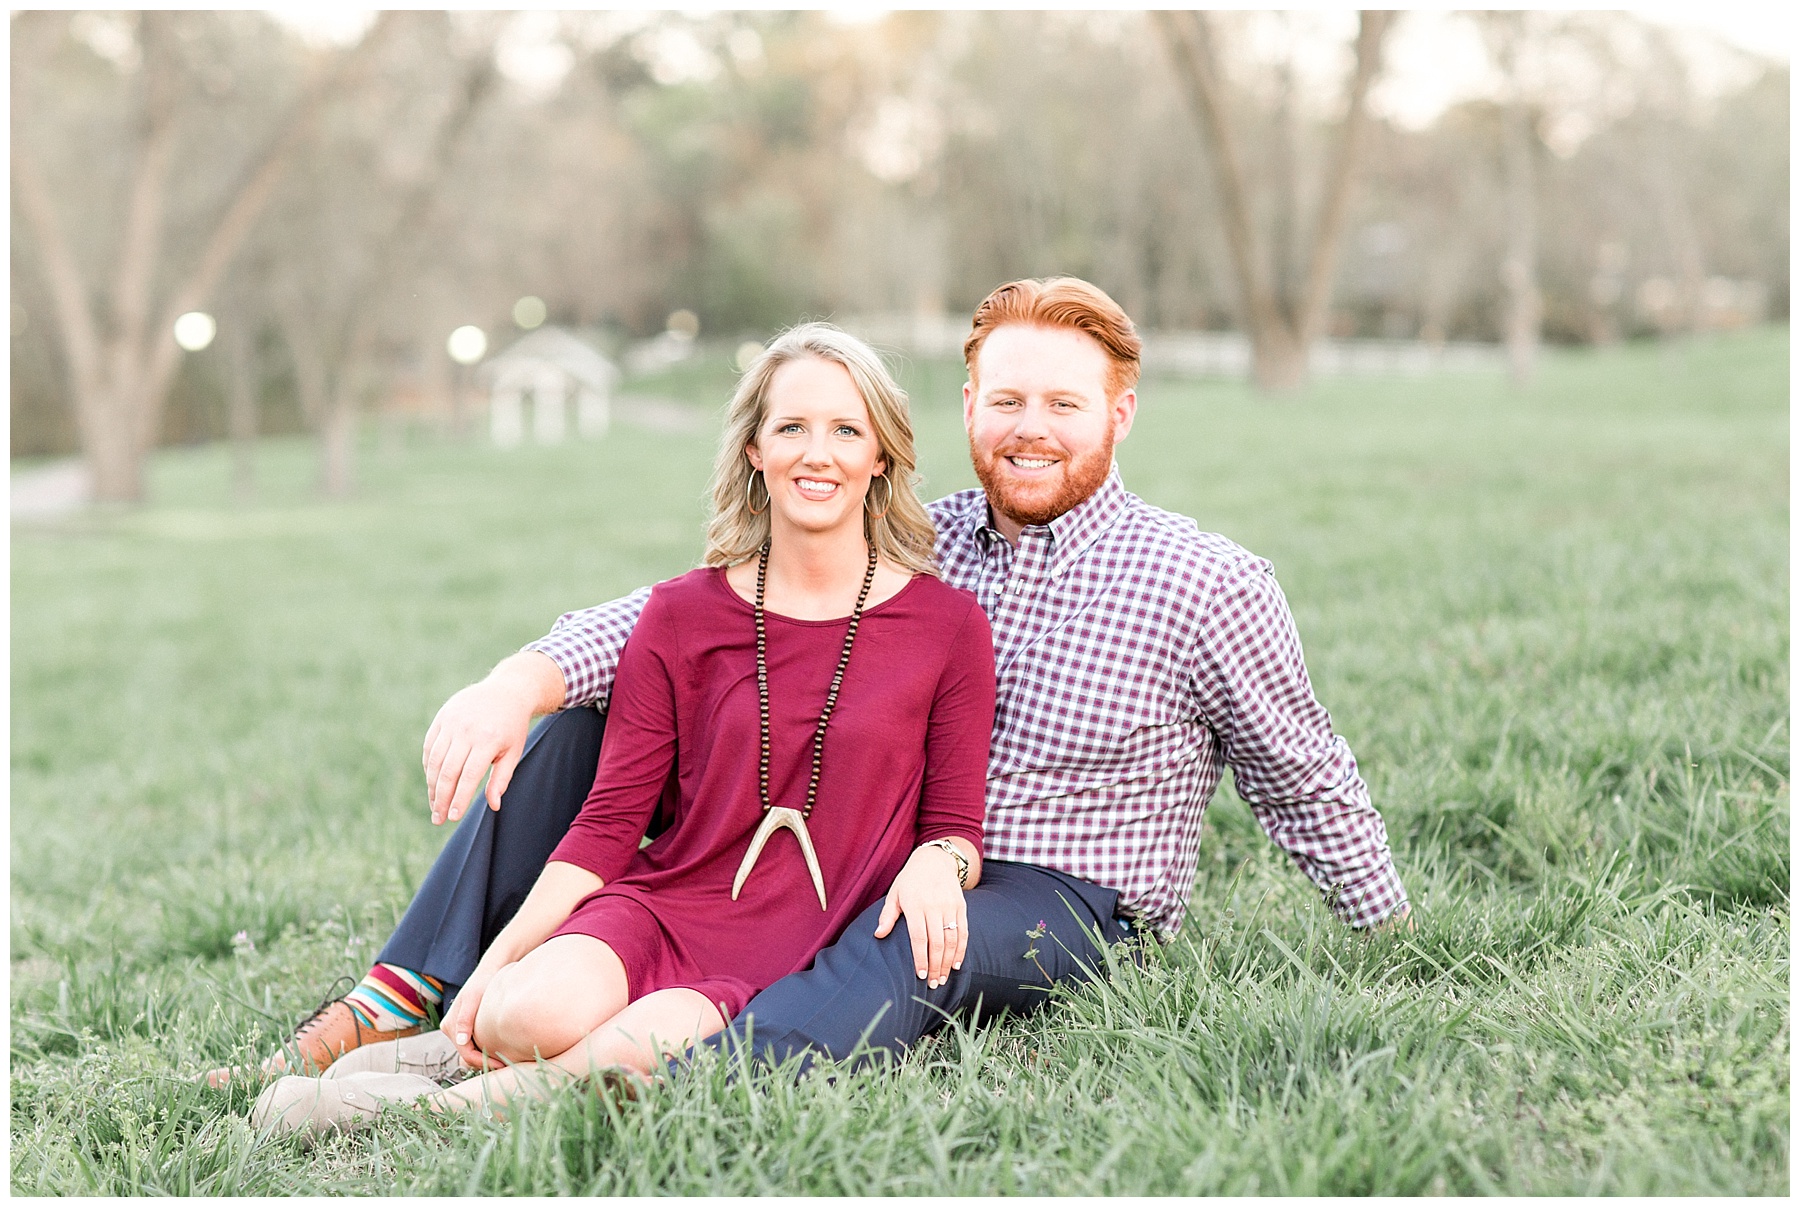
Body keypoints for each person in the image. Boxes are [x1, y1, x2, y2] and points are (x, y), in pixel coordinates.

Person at [216, 276, 1409, 1102]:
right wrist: (519, 676)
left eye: (1063, 403)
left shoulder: (1207, 582)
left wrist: (1395, 937)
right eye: (1007, 400)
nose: (1031, 429)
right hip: (854, 845)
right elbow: (684, 619)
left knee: (907, 939)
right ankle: (403, 999)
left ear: (1120, 412)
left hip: (1064, 895)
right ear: (968, 409)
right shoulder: (925, 543)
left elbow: (1303, 774)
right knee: (574, 727)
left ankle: (618, 1086)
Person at [248, 323, 994, 1137]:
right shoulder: (680, 613)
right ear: (754, 449)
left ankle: (411, 1104)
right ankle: (462, 1044)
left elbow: (955, 825)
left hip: (798, 946)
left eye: (847, 430)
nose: (819, 454)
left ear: (881, 455)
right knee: (522, 1014)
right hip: (667, 904)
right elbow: (607, 823)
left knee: (627, 1054)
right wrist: (494, 968)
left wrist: (942, 862)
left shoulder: (948, 626)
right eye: (792, 427)